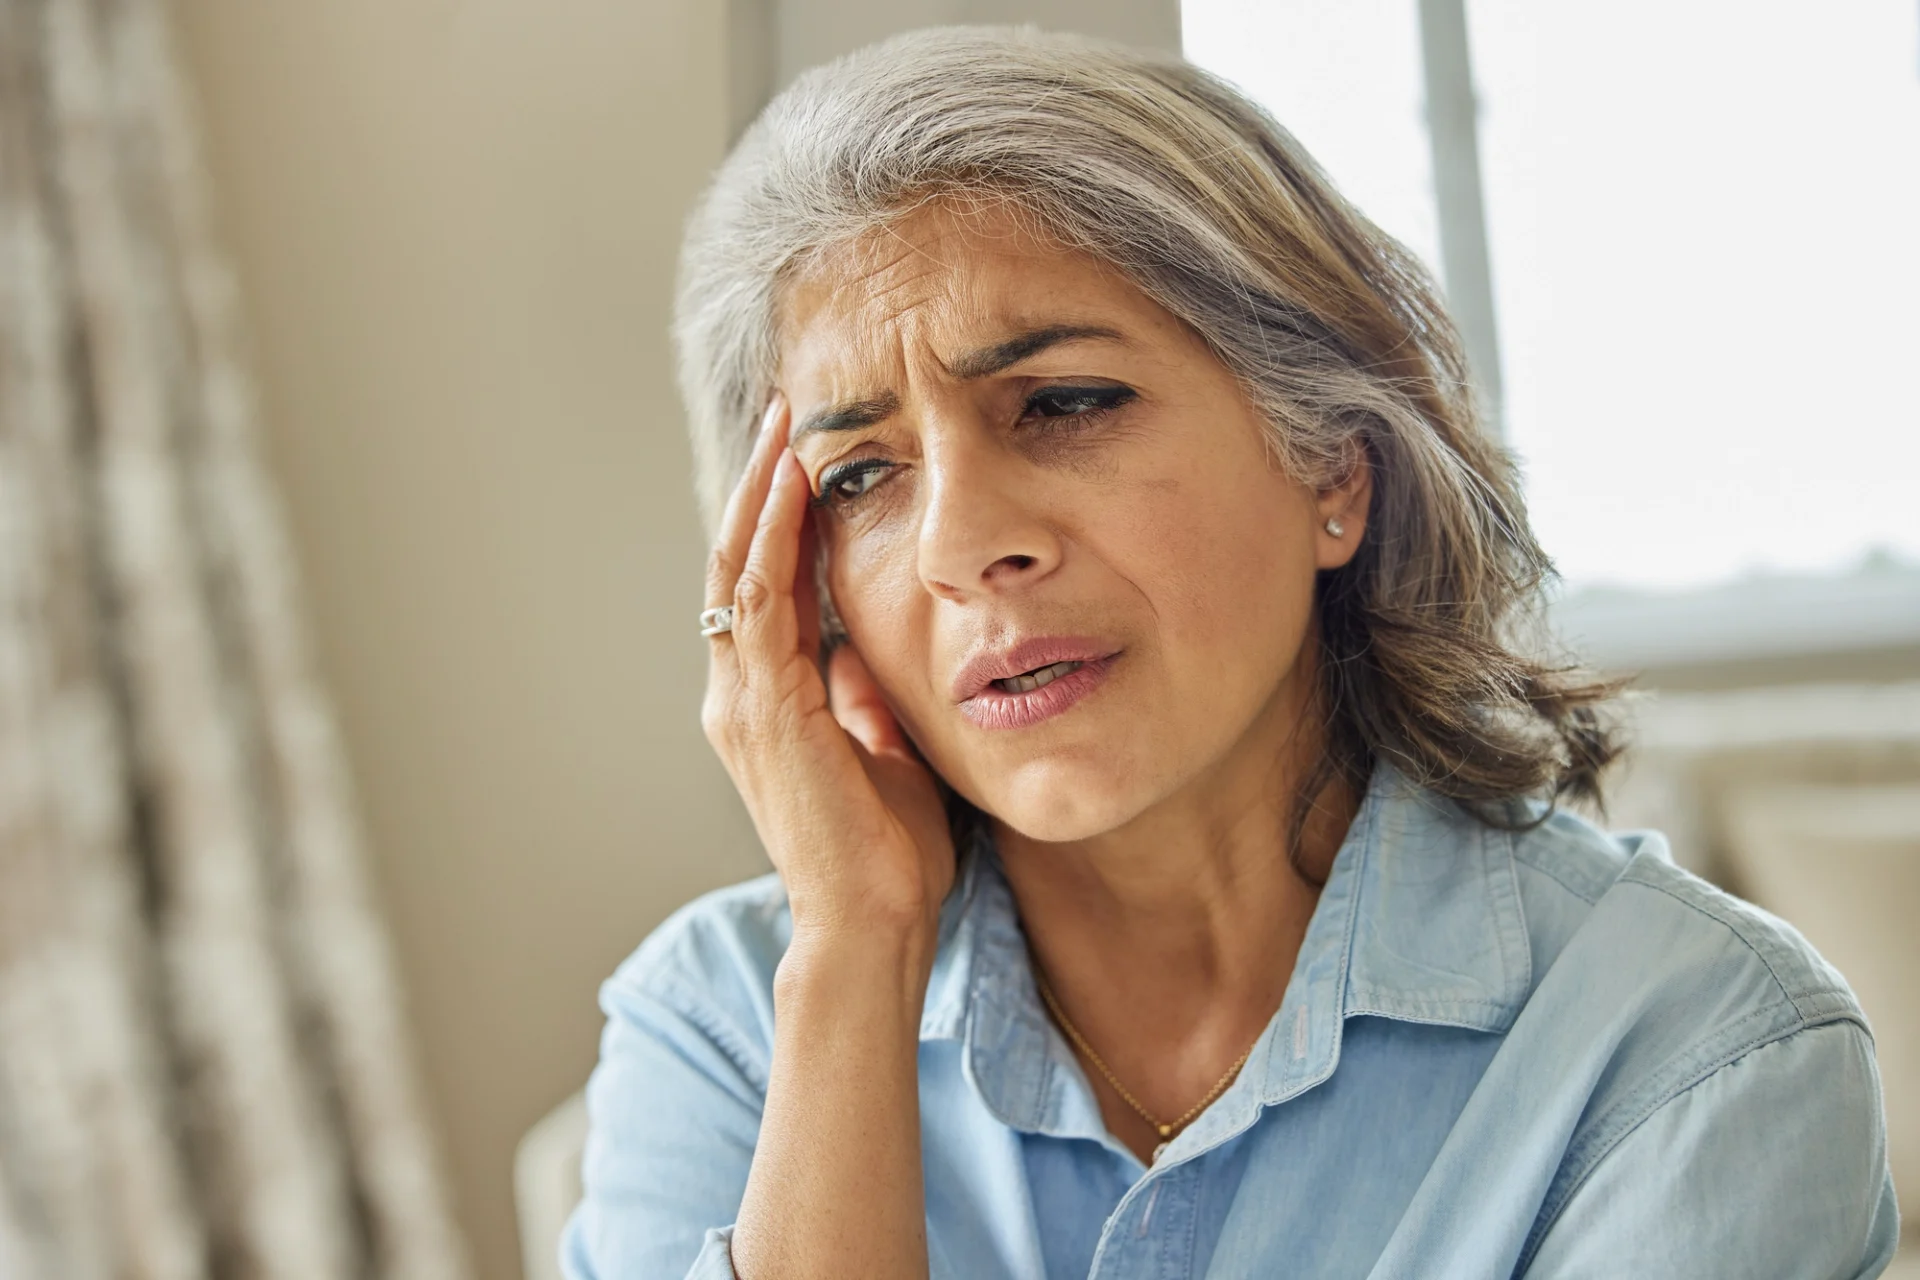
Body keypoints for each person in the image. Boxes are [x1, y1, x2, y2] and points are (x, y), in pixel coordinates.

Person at [560, 26, 1898, 1280]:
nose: (961, 547)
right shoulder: (727, 1028)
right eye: (858, 478)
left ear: (1333, 466)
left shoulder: (1702, 1049)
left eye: (1067, 403)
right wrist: (854, 948)